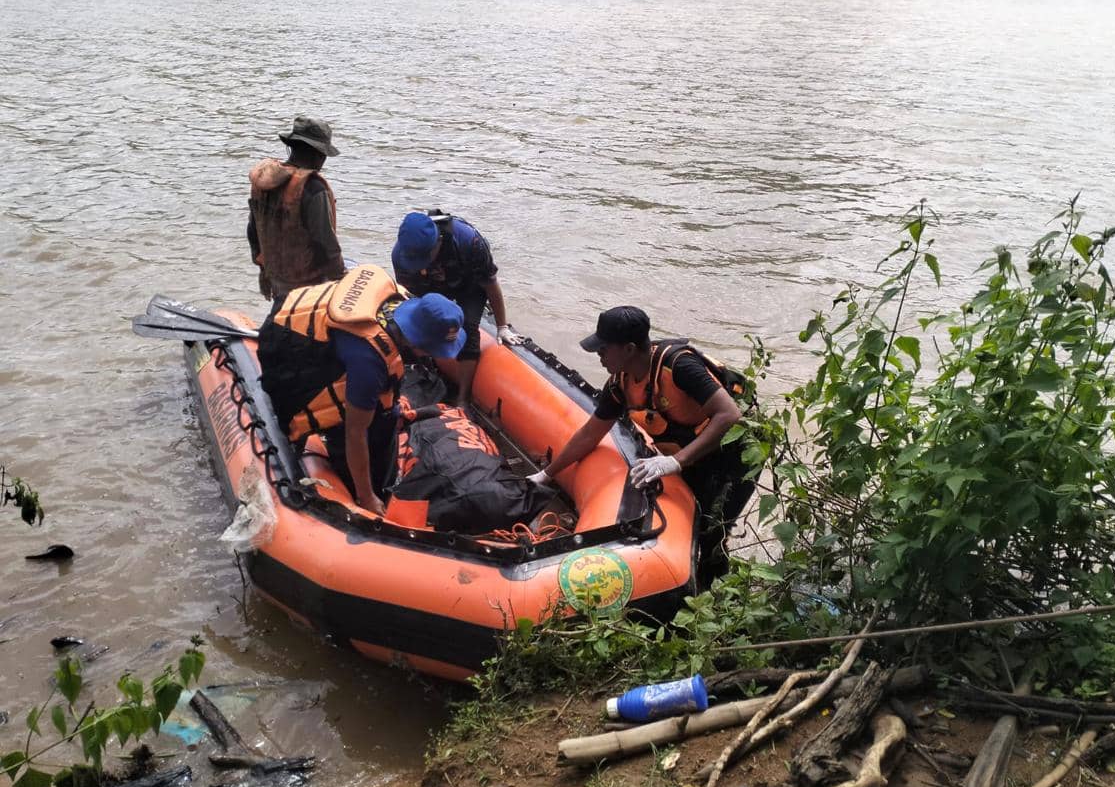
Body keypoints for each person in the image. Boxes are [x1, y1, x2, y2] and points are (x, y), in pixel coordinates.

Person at [528, 306, 755, 574]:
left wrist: (676, 461)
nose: (599, 357)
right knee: (692, 516)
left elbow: (729, 414)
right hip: (697, 447)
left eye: (603, 350)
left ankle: (717, 592)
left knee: (711, 529)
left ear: (629, 349)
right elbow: (590, 434)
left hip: (736, 451)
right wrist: (546, 474)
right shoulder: (620, 383)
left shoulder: (679, 366)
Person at [257, 263, 466, 516]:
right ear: (416, 340)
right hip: (296, 356)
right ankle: (358, 490)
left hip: (323, 334)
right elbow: (355, 433)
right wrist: (367, 496)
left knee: (385, 418)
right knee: (367, 432)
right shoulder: (368, 362)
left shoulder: (397, 302)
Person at [391, 210, 524, 408]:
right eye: (416, 262)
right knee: (418, 328)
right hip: (429, 288)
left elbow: (490, 283)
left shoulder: (468, 241)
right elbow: (410, 296)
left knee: (469, 330)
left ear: (438, 242)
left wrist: (502, 326)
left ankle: (462, 399)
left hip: (468, 285)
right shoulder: (402, 256)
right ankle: (421, 377)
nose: (421, 268)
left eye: (424, 260)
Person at [248, 115, 346, 302]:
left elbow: (253, 231)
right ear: (318, 154)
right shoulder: (312, 188)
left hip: (277, 279)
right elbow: (325, 243)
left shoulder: (263, 182)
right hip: (308, 287)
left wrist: (263, 271)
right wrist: (340, 279)